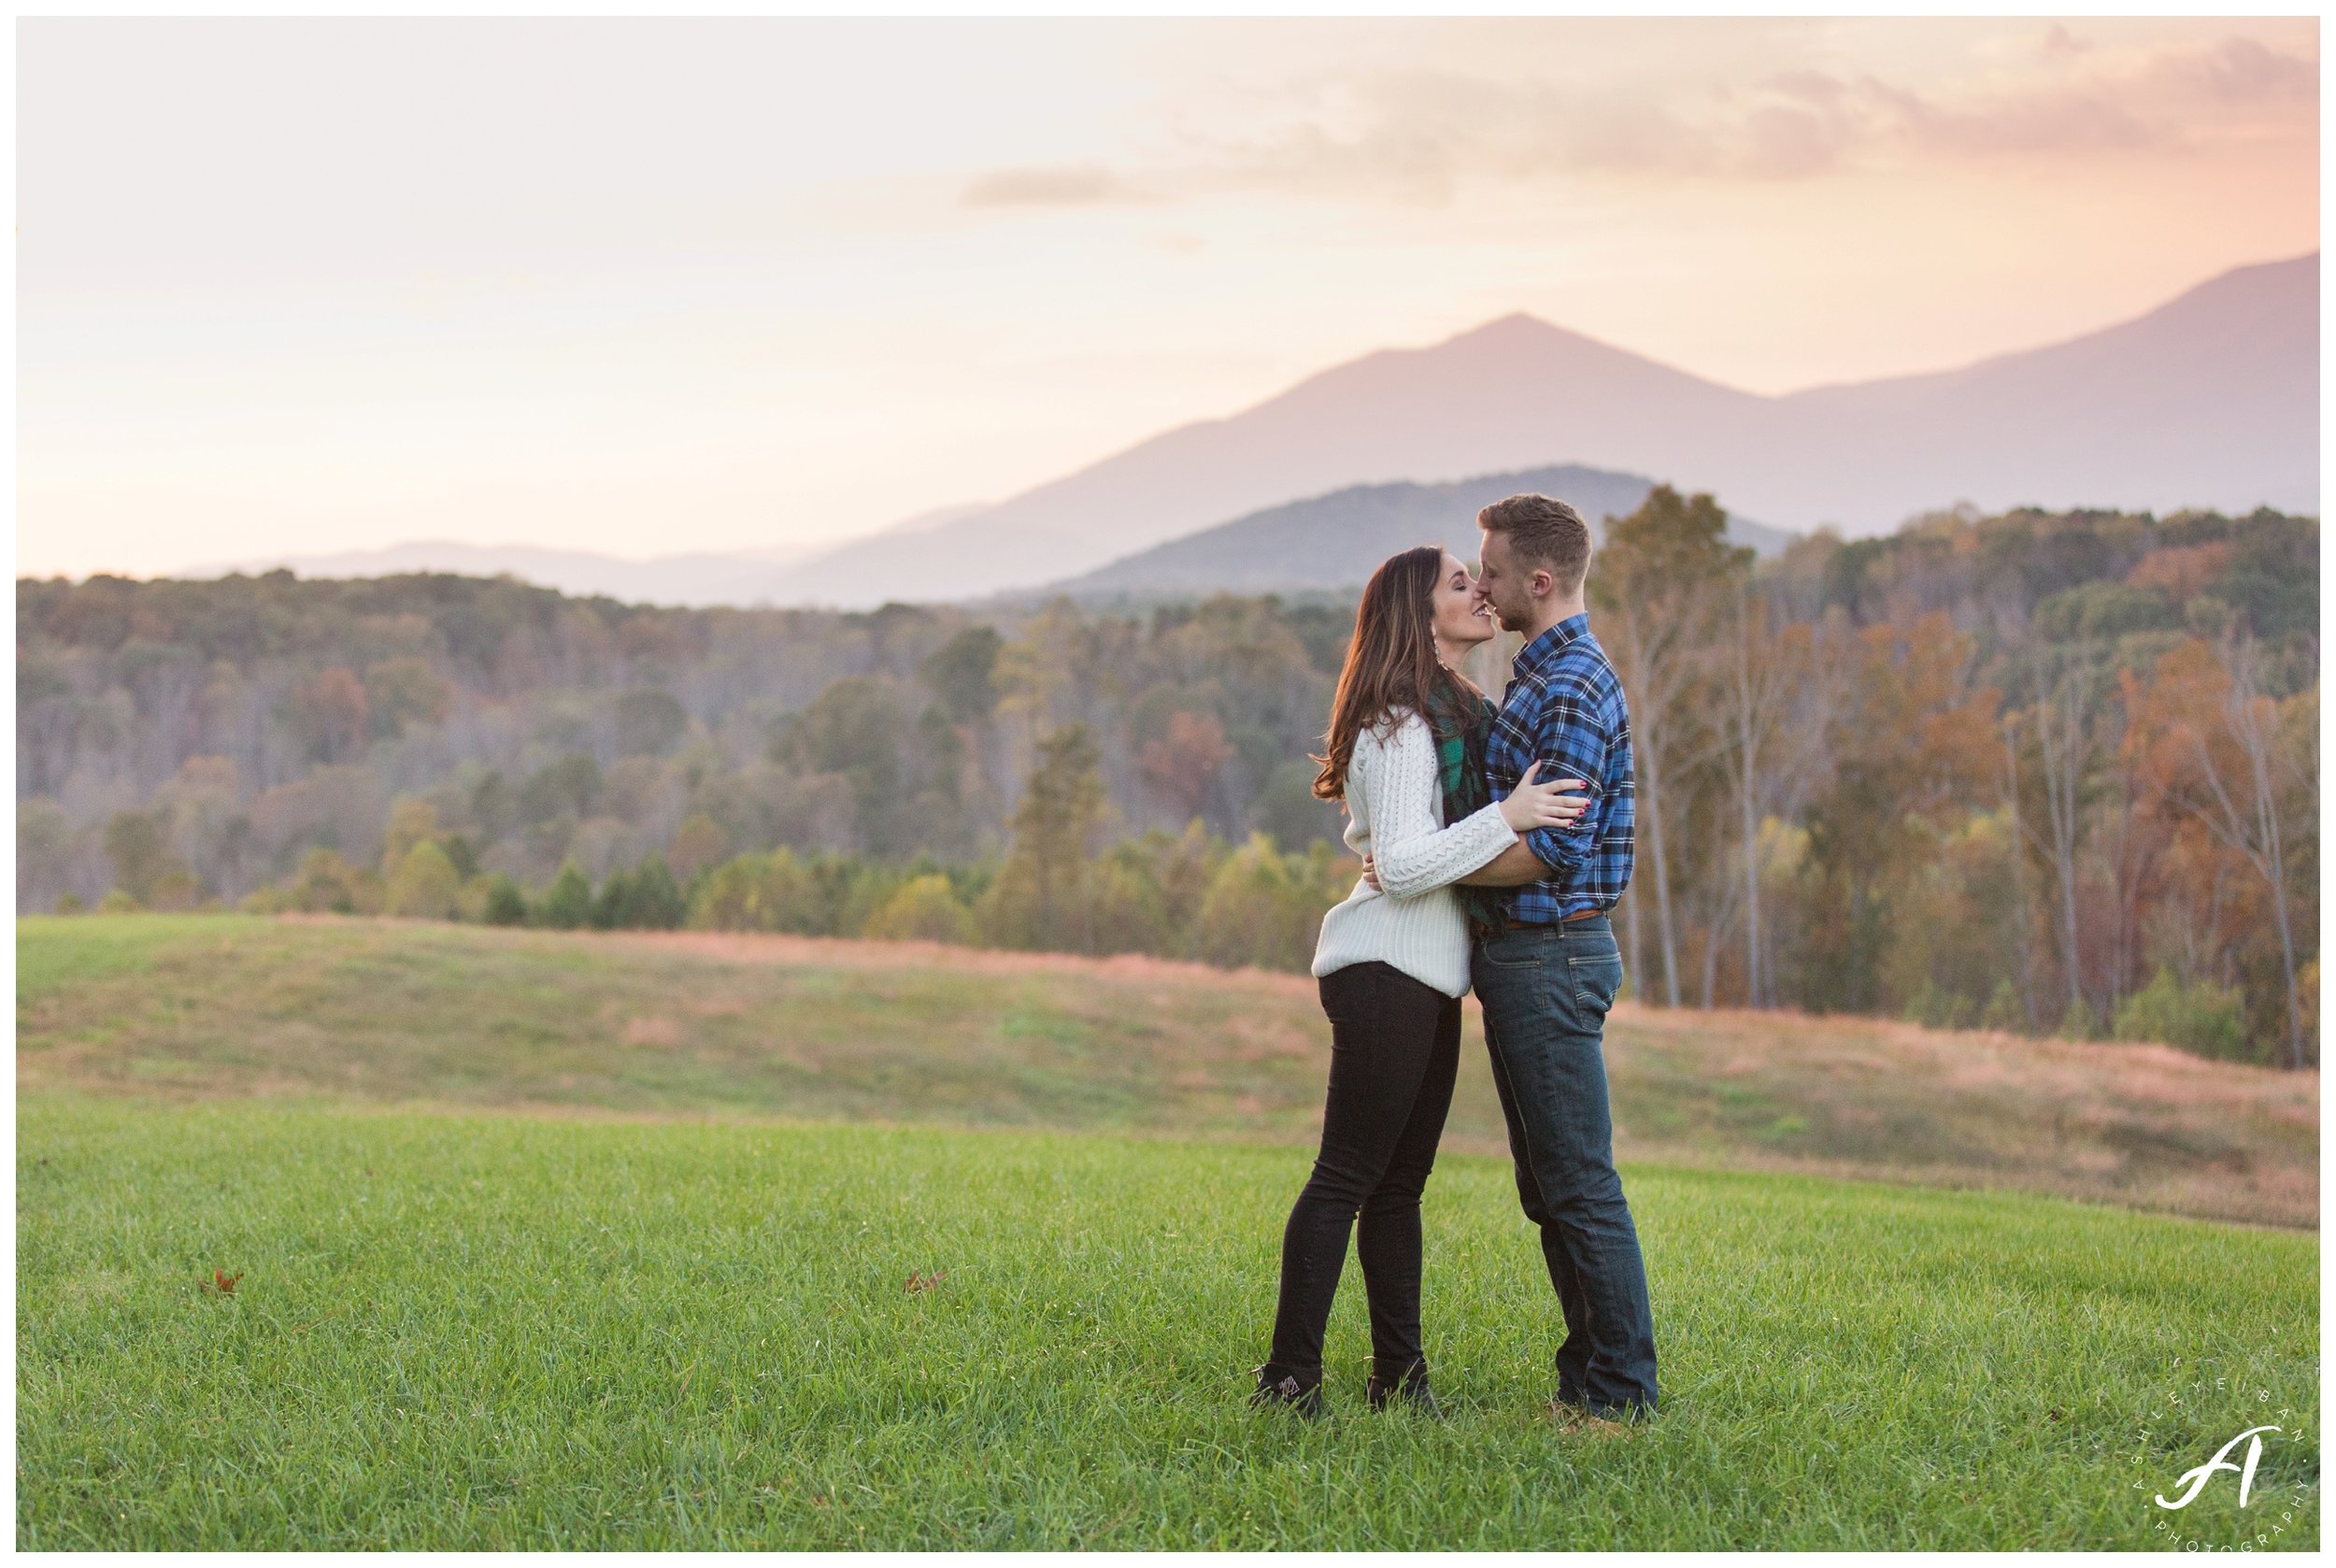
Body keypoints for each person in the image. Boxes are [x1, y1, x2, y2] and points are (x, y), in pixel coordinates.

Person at [1250, 544, 1589, 1419]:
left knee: (1397, 1189)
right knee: (1346, 1178)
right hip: (1386, 967)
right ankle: (1288, 1382)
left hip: (1423, 971)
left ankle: (1400, 1380)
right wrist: (1509, 815)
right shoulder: (1401, 723)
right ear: (1418, 610)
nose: (1480, 591)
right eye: (1459, 582)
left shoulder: (1449, 710)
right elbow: (1400, 868)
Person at [1433, 492, 1659, 1431]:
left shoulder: (1569, 684)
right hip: (1523, 957)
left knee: (1577, 1182)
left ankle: (1618, 1396)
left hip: (1549, 954)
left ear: (1538, 579)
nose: (1479, 584)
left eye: (1489, 571)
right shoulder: (1536, 674)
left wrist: (1426, 868)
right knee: (1549, 1184)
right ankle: (1585, 1378)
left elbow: (1545, 850)